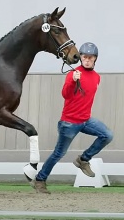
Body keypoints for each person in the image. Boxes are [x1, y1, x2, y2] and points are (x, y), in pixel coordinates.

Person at [32, 42, 113, 194]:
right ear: (81, 58)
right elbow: (65, 95)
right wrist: (72, 80)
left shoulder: (97, 77)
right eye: (84, 57)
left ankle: (83, 159)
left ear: (95, 59)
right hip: (69, 123)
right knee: (58, 154)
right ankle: (40, 179)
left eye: (90, 57)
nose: (87, 60)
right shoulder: (73, 74)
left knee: (107, 135)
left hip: (86, 121)